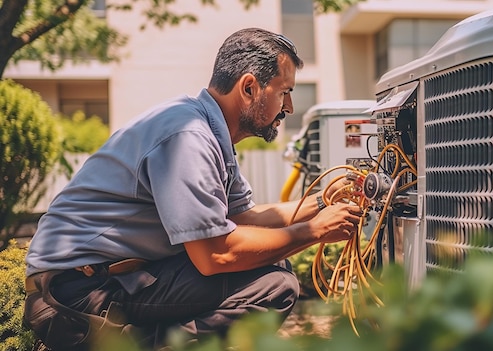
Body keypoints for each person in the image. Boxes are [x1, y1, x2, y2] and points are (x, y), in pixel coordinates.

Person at [22, 27, 363, 351]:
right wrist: (315, 231)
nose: (288, 107)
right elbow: (215, 255)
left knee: (273, 269)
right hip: (72, 299)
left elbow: (245, 217)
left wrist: (322, 201)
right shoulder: (189, 137)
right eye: (285, 91)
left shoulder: (209, 130)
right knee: (275, 285)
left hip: (100, 282)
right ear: (249, 88)